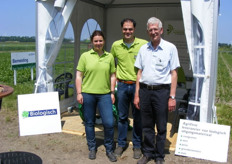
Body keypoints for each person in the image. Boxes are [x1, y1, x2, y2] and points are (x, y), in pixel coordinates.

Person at [134, 17, 180, 164]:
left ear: (161, 30)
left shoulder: (170, 48)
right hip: (145, 91)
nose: (153, 32)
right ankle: (147, 153)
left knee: (161, 125)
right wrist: (137, 94)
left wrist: (172, 97)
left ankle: (159, 156)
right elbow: (139, 73)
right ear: (148, 32)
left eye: (156, 29)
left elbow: (174, 73)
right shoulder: (143, 49)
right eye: (150, 30)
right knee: (147, 125)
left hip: (162, 92)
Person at [75, 30, 117, 162]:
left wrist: (112, 92)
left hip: (104, 94)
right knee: (89, 122)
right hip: (88, 94)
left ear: (104, 41)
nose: (98, 43)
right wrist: (79, 93)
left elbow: (112, 75)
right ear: (92, 42)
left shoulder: (109, 57)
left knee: (109, 123)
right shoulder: (85, 56)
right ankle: (92, 147)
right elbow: (79, 76)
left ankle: (109, 149)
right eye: (96, 41)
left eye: (100, 40)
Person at [110, 18, 147, 159]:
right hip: (122, 86)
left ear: (134, 30)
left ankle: (137, 146)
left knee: (138, 117)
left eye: (130, 29)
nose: (127, 31)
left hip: (138, 86)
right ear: (121, 29)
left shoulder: (143, 44)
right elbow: (110, 63)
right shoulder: (116, 45)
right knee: (122, 117)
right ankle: (121, 144)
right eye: (125, 29)